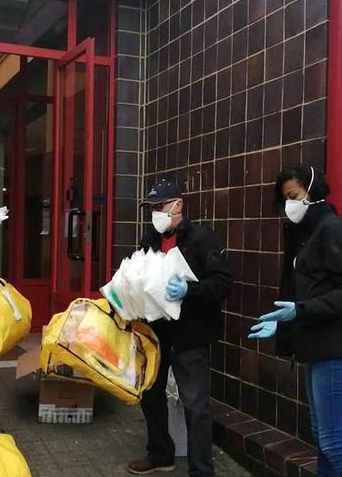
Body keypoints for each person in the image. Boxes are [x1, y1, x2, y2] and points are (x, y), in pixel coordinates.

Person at [248, 165, 342, 477]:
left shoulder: (332, 229)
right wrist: (288, 322)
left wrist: (299, 311)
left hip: (336, 348)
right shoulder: (307, 234)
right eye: (285, 198)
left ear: (312, 192)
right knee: (324, 441)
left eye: (294, 196)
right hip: (317, 347)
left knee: (335, 445)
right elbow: (309, 292)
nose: (289, 204)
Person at [128, 179, 233, 477]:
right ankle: (160, 453)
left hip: (191, 335)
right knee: (151, 395)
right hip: (155, 334)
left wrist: (190, 290)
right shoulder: (148, 240)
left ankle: (201, 470)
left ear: (178, 205)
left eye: (160, 206)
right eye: (151, 208)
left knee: (195, 405)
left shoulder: (202, 239)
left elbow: (223, 283)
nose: (155, 213)